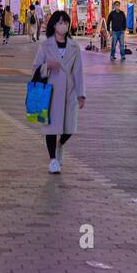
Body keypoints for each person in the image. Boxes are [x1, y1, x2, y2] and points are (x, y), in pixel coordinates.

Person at [32, 10, 86, 173]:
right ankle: (53, 160)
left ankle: (60, 145)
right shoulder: (46, 45)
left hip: (69, 92)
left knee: (69, 128)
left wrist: (81, 94)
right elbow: (35, 68)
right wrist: (47, 66)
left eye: (66, 22)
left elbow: (79, 71)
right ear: (54, 25)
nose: (64, 25)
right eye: (60, 22)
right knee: (51, 127)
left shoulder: (74, 46)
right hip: (51, 91)